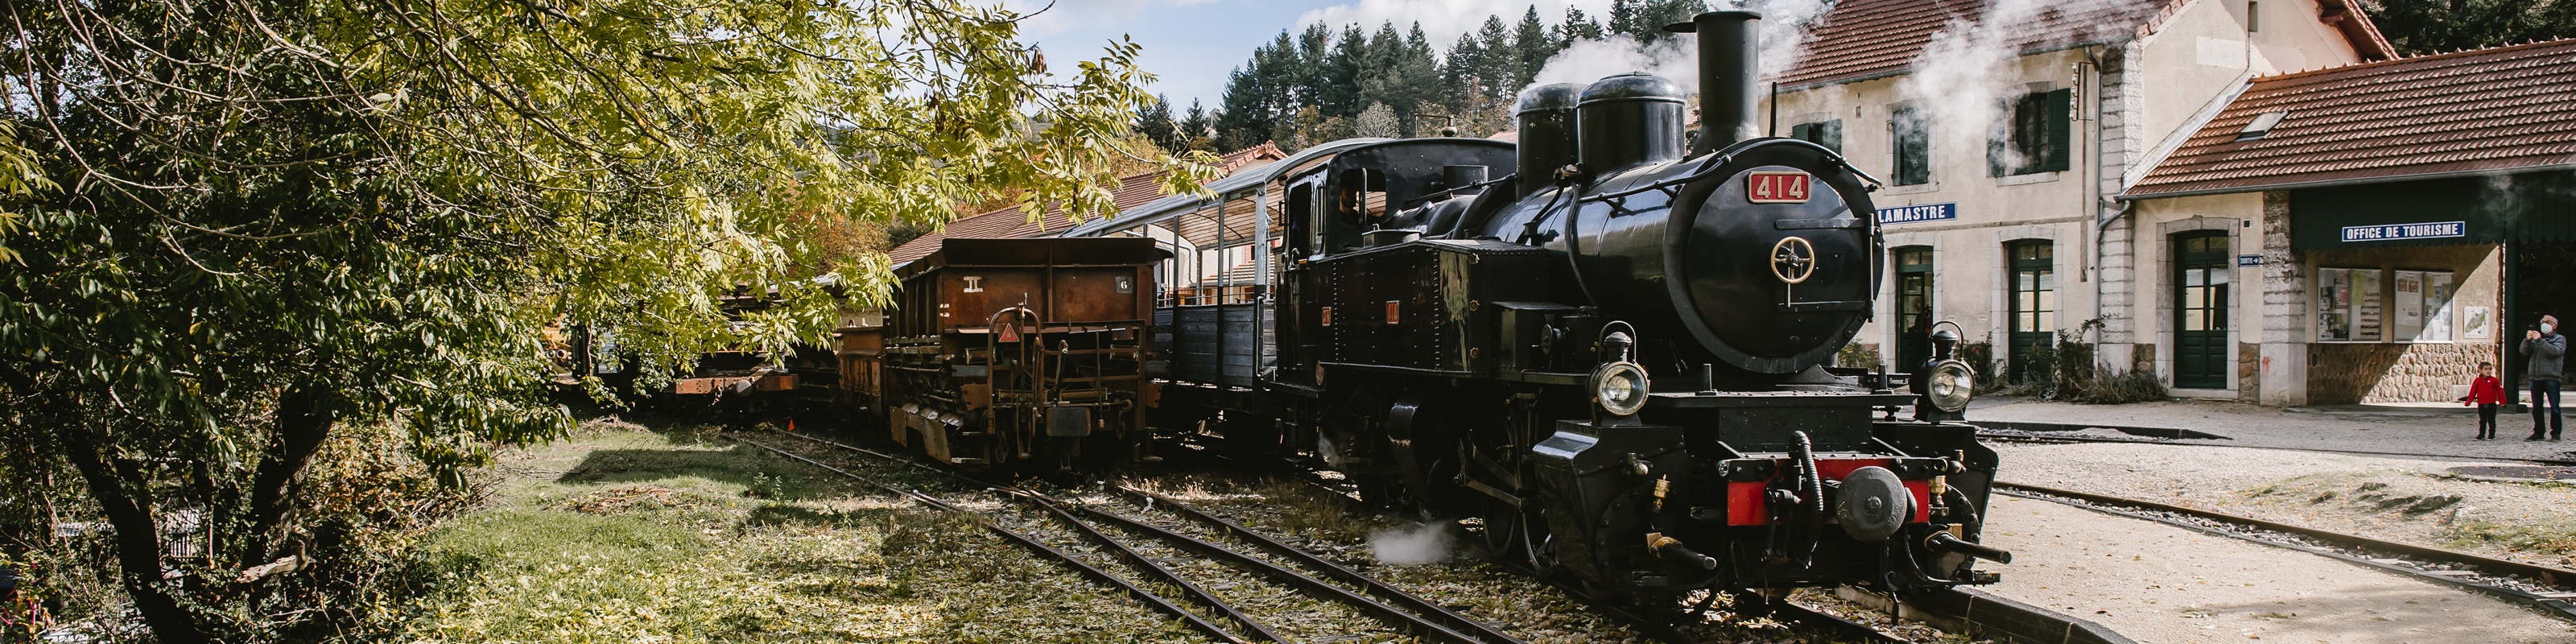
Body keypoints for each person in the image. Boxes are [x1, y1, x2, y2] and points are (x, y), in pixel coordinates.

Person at [2526, 315, 2567, 441]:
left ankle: (2556, 433)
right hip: (2535, 377)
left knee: (2554, 407)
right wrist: (2527, 340)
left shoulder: (2560, 339)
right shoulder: (2536, 339)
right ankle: (2538, 432)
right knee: (2536, 407)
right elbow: (2524, 351)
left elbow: (2554, 352)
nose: (2544, 324)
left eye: (2547, 322)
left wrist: (2540, 341)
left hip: (2551, 377)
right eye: (2542, 322)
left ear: (2554, 325)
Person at [2467, 361, 2505, 440]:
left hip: (2491, 403)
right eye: (2486, 369)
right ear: (2480, 370)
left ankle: (2492, 434)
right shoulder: (2477, 381)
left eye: (2490, 369)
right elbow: (2473, 392)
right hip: (2481, 404)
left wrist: (2502, 402)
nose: (2488, 371)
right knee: (2482, 420)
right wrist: (2468, 401)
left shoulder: (2494, 381)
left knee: (2491, 420)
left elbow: (2500, 391)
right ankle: (2481, 434)